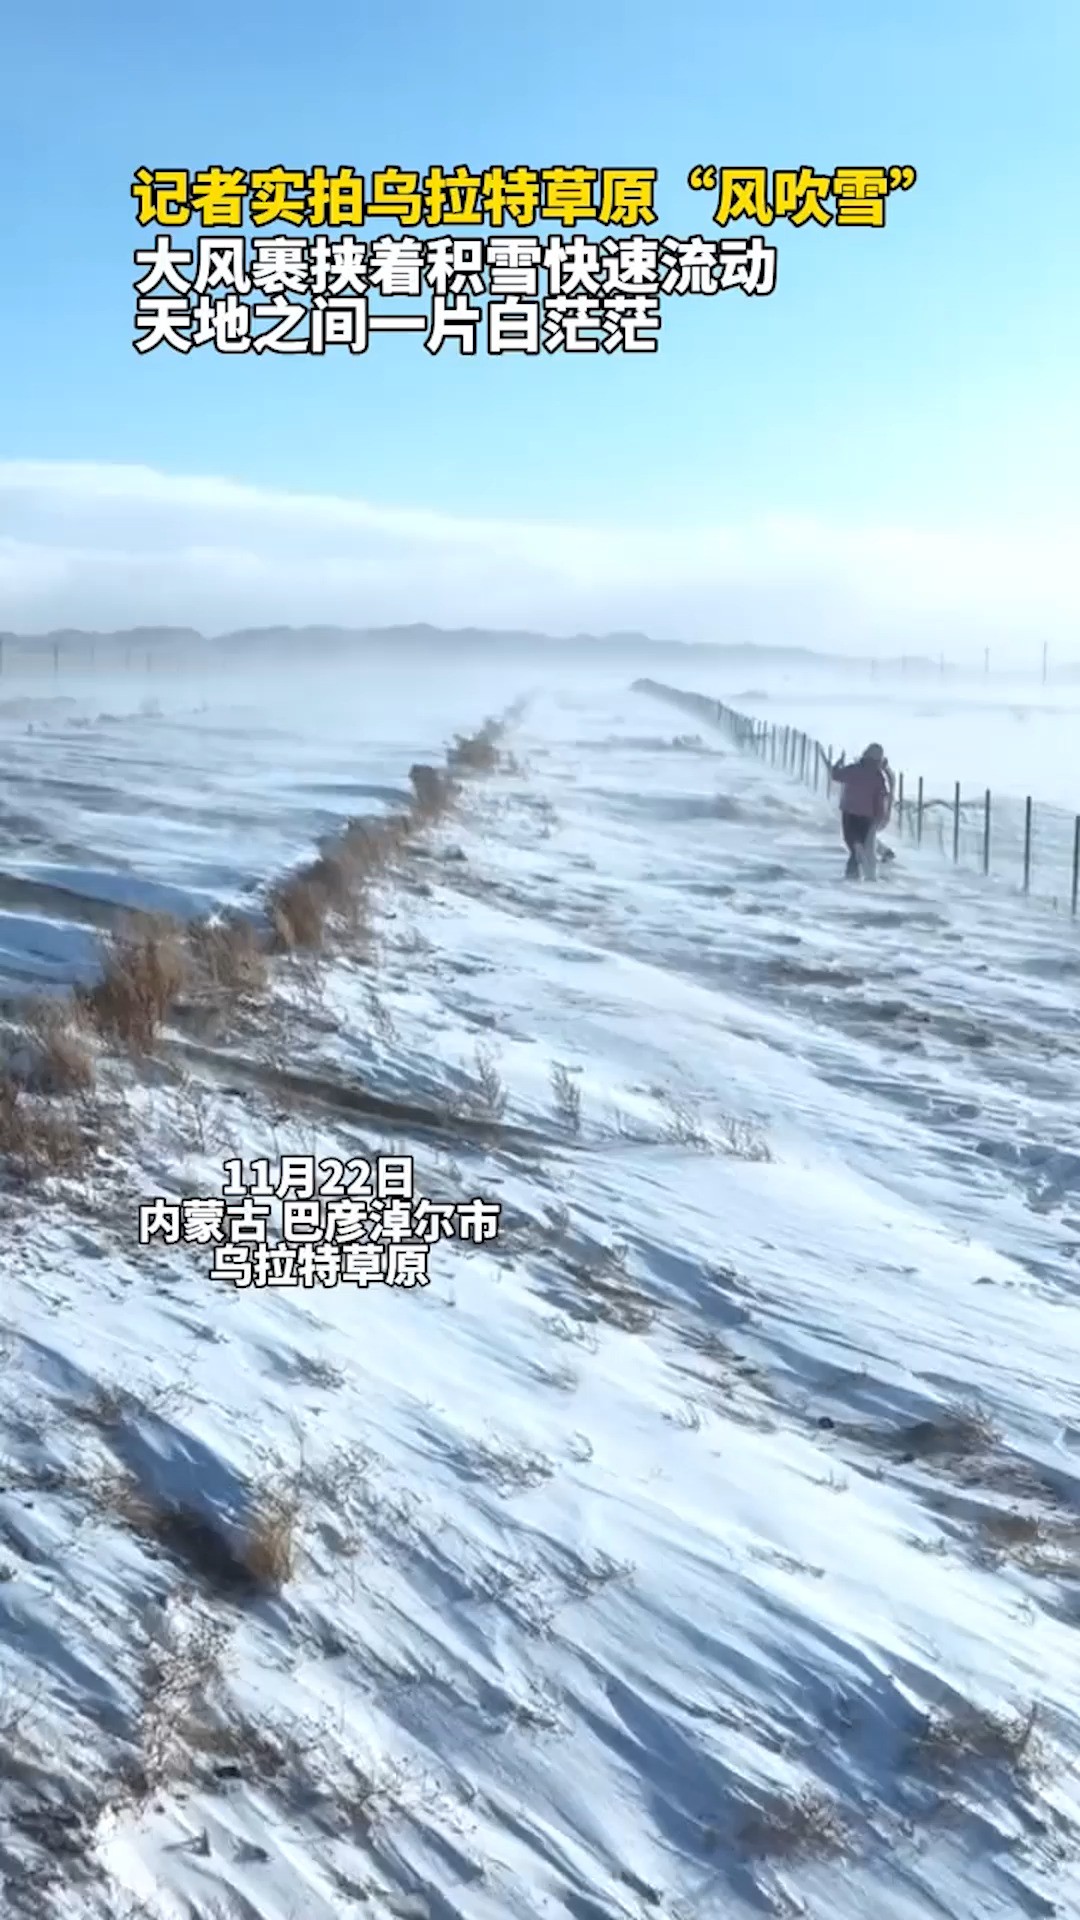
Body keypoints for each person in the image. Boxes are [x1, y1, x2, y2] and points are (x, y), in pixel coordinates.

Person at [828, 743, 891, 880]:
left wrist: (837, 765)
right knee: (860, 842)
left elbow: (836, 775)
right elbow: (880, 798)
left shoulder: (854, 769)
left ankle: (853, 871)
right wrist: (880, 817)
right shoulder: (878, 777)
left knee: (850, 838)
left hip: (849, 811)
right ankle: (854, 870)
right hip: (868, 816)